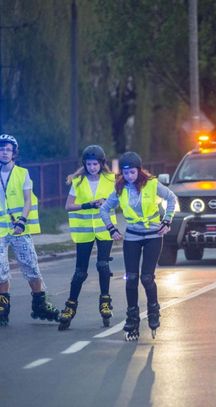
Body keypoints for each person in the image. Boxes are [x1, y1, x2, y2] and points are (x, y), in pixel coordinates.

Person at [100, 152, 176, 341]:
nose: (129, 176)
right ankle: (132, 318)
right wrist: (111, 229)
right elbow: (104, 209)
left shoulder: (151, 184)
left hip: (153, 236)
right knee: (131, 278)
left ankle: (153, 311)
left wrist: (167, 220)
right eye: (125, 173)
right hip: (132, 237)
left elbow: (172, 198)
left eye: (132, 172)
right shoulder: (120, 188)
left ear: (139, 170)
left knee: (147, 278)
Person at [0, 134, 59, 326]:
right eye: (1, 149)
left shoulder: (22, 173)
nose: (4, 152)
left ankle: (40, 304)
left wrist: (22, 221)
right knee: (0, 270)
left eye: (8, 149)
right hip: (0, 230)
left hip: (19, 228)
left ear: (14, 153)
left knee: (31, 266)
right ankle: (2, 309)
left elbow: (27, 200)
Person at [58, 145, 117, 330]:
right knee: (80, 272)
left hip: (105, 228)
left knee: (103, 265)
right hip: (84, 231)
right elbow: (68, 206)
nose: (92, 167)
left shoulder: (110, 179)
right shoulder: (78, 181)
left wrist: (106, 203)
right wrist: (88, 205)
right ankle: (70, 306)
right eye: (89, 164)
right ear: (85, 164)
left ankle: (105, 302)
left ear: (101, 164)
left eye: (95, 164)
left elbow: (119, 201)